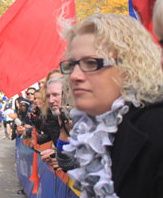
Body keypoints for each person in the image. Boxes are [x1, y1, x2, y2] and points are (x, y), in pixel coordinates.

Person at [57, 13, 163, 197]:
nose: (74, 76)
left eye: (91, 63)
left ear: (130, 67)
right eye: (72, 65)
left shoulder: (156, 130)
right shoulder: (90, 129)